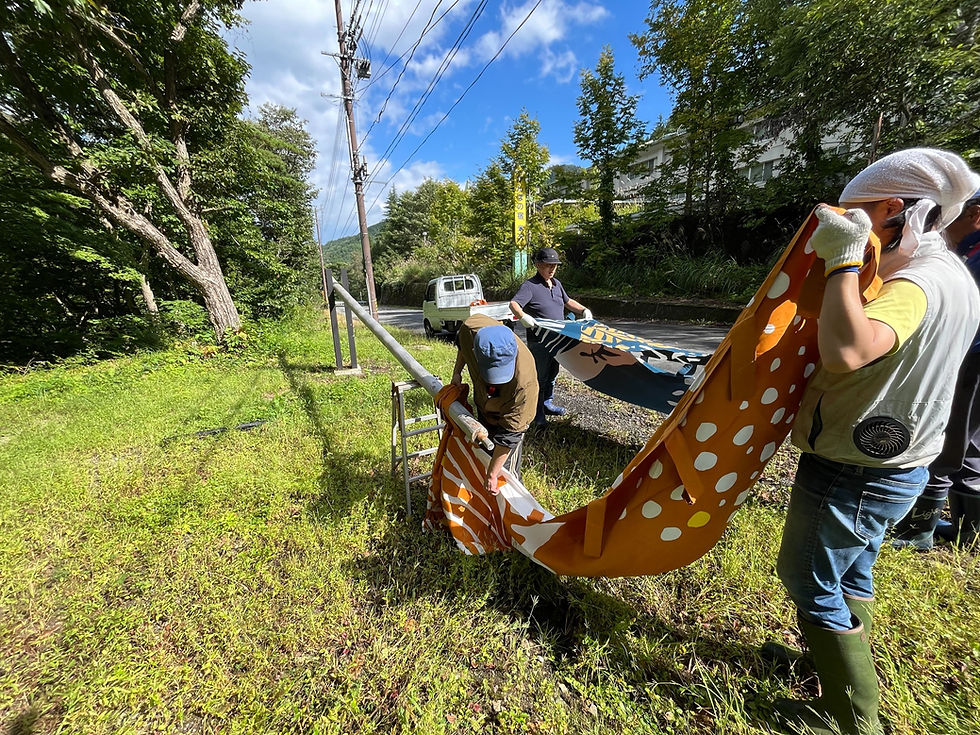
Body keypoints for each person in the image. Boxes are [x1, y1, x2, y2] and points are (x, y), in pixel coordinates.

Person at [772, 149, 980, 735]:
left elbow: (848, 350)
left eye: (857, 214)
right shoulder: (956, 276)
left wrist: (840, 262)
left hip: (853, 466)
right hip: (898, 462)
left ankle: (848, 717)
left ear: (892, 209)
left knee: (808, 576)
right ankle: (829, 664)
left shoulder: (914, 284)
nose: (852, 226)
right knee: (851, 574)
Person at [892, 191, 980, 549]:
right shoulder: (969, 251)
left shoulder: (973, 255)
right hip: (970, 355)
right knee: (970, 442)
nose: (940, 228)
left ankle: (918, 530)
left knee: (948, 439)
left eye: (946, 218)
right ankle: (968, 531)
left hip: (969, 357)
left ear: (974, 213)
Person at [451, 314, 538, 495]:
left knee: (504, 476)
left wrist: (492, 474)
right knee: (483, 455)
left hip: (508, 414)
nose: (497, 380)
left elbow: (511, 434)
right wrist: (457, 371)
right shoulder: (470, 329)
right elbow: (463, 346)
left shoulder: (524, 384)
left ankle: (512, 511)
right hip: (486, 402)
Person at [508, 247, 593, 426]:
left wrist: (584, 310)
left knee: (553, 374)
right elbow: (514, 304)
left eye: (554, 265)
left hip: (558, 339)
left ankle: (547, 403)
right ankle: (537, 414)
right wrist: (523, 317)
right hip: (540, 341)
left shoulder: (557, 284)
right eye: (548, 265)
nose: (551, 269)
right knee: (540, 377)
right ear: (538, 265)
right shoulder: (529, 286)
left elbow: (568, 302)